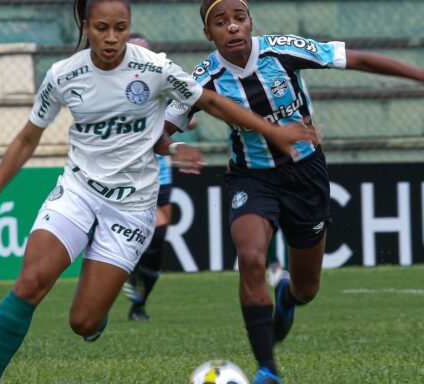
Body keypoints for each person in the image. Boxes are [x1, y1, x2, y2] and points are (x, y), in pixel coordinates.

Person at [0, 1, 317, 382]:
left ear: (128, 27)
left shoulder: (154, 68)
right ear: (86, 26)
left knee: (83, 321)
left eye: (120, 28)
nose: (111, 38)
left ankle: (97, 308)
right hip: (77, 191)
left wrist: (272, 131)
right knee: (30, 283)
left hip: (131, 207)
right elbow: (28, 138)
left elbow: (207, 100)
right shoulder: (63, 75)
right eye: (102, 28)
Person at [165, 1, 424, 382]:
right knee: (251, 258)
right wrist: (175, 148)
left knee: (307, 288)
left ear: (251, 21)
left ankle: (286, 295)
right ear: (209, 34)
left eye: (239, 18)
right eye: (221, 22)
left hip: (306, 175)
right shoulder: (203, 78)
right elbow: (160, 131)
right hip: (252, 178)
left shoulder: (283, 50)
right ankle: (267, 369)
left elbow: (360, 61)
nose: (233, 27)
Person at [123, 33, 200, 321]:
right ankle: (123, 273)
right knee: (135, 232)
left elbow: (190, 119)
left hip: (159, 171)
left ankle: (138, 301)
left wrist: (178, 117)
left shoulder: (159, 82)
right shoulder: (113, 88)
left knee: (159, 234)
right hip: (127, 174)